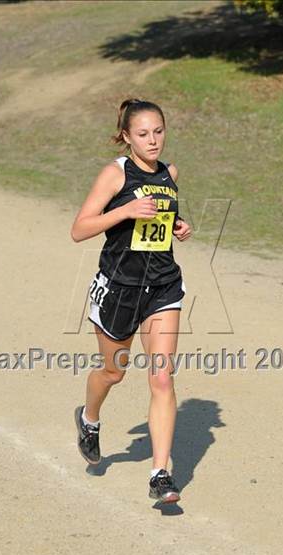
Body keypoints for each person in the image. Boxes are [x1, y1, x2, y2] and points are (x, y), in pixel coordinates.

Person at [70, 98, 192, 503]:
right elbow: (80, 229)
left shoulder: (169, 173)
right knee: (113, 372)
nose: (153, 140)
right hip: (119, 289)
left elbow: (158, 222)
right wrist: (124, 212)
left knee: (161, 377)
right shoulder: (114, 173)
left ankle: (160, 473)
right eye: (143, 134)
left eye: (158, 131)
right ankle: (89, 419)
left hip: (162, 286)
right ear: (126, 137)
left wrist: (176, 226)